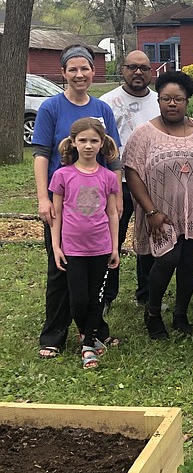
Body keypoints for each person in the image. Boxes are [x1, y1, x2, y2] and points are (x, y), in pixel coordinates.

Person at [124, 71, 193, 340]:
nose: (172, 104)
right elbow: (133, 172)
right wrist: (150, 211)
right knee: (167, 257)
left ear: (187, 100)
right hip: (160, 212)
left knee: (188, 261)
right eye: (166, 99)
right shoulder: (144, 134)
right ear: (158, 100)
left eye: (178, 99)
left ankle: (181, 314)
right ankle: (153, 312)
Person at [33, 43, 123, 359]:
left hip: (98, 202)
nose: (79, 74)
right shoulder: (50, 108)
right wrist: (43, 198)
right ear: (63, 73)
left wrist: (119, 196)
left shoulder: (103, 110)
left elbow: (114, 156)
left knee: (97, 271)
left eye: (84, 68)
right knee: (61, 268)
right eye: (73, 69)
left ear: (92, 71)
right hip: (63, 203)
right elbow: (42, 155)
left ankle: (95, 330)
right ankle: (54, 334)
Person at [49, 118, 120, 369]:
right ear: (73, 143)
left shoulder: (108, 177)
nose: (88, 146)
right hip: (73, 250)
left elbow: (112, 214)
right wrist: (57, 247)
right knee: (78, 300)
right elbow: (56, 215)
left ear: (102, 144)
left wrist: (114, 247)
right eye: (83, 140)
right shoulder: (62, 176)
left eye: (93, 141)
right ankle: (86, 333)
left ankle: (88, 345)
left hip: (100, 249)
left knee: (96, 299)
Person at [100, 50, 160, 307]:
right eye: (132, 67)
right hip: (118, 182)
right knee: (112, 237)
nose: (138, 72)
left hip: (152, 183)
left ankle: (146, 295)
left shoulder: (160, 101)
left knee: (150, 240)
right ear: (122, 69)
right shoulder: (107, 102)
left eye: (144, 68)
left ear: (151, 72)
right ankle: (106, 294)